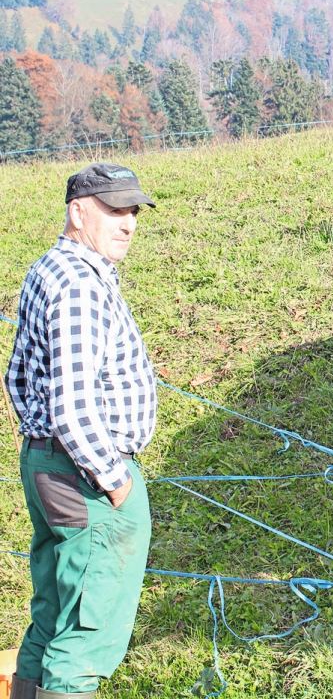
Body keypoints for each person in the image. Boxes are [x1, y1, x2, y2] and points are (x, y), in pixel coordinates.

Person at [4, 163, 157, 699]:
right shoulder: (78, 287)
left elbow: (18, 377)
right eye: (115, 209)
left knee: (53, 613)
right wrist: (114, 481)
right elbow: (73, 404)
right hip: (88, 477)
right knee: (87, 632)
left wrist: (40, 444)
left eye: (134, 210)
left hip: (51, 464)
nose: (129, 222)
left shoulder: (49, 269)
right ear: (78, 211)